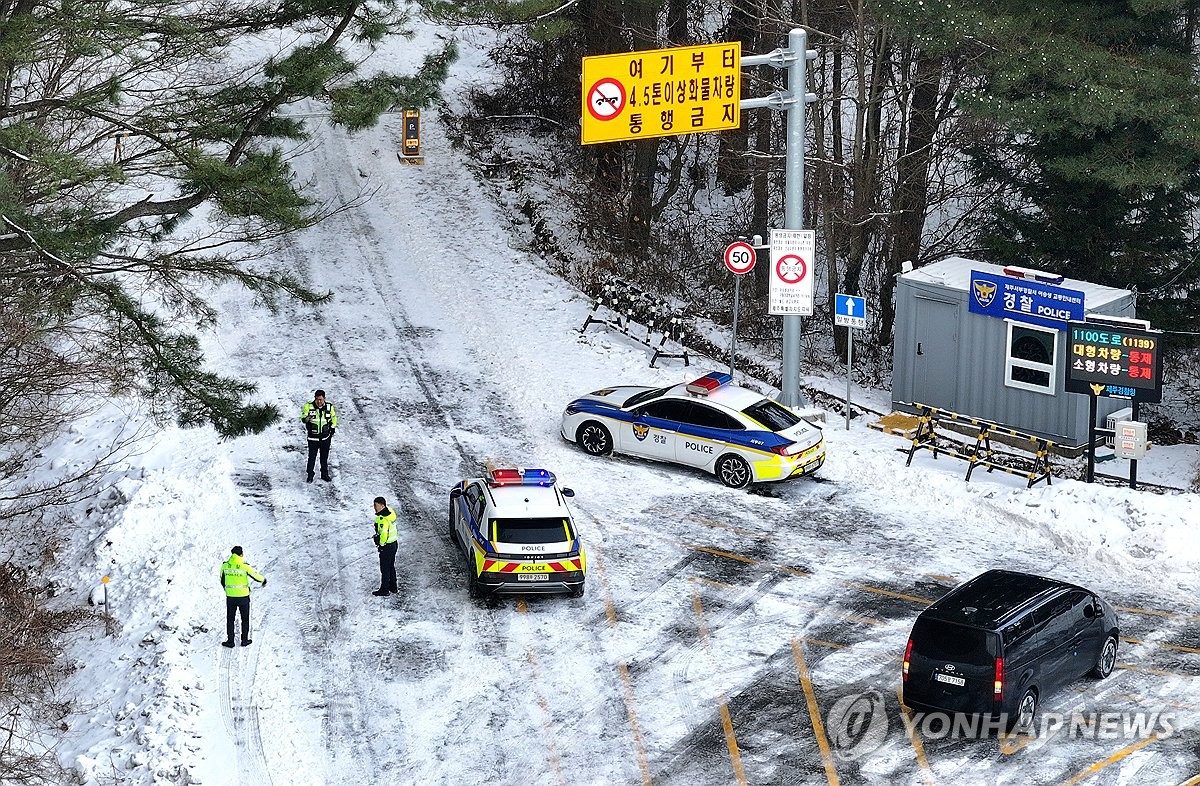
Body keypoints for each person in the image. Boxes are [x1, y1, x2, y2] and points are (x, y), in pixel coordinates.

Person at [219, 546, 266, 647]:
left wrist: (228, 590)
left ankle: (230, 641)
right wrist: (263, 579)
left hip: (231, 597)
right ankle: (244, 640)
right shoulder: (245, 566)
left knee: (230, 619)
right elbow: (256, 576)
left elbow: (222, 580)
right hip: (243, 598)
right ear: (241, 554)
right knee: (245, 619)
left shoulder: (225, 566)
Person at [301, 389, 337, 483]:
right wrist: (308, 418)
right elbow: (303, 418)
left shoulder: (329, 407)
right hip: (313, 438)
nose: (319, 401)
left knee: (324, 458)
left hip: (325, 438)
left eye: (320, 399)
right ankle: (310, 475)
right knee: (312, 457)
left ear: (324, 398)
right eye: (317, 399)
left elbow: (333, 418)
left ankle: (324, 474)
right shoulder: (308, 406)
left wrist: (332, 428)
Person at [372, 496, 398, 596]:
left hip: (387, 546)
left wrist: (381, 545)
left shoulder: (383, 519)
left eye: (376, 506)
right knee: (391, 566)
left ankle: (384, 589)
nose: (375, 508)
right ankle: (393, 587)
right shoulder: (390, 512)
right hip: (394, 544)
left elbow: (383, 534)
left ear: (382, 506)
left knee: (385, 568)